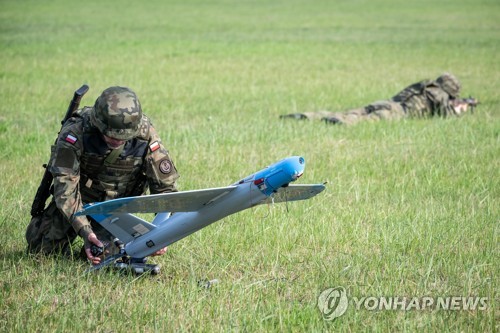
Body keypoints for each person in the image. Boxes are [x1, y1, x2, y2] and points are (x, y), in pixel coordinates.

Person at [26, 86, 180, 265]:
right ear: (98, 123)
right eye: (111, 135)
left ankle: (112, 243)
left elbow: (166, 190)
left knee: (105, 257)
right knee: (39, 248)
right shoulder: (76, 132)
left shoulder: (145, 136)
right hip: (78, 201)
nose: (118, 140)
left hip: (114, 210)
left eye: (124, 137)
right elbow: (65, 191)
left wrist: (161, 234)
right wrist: (85, 231)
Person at [280, 73, 473, 125]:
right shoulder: (439, 94)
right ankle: (339, 122)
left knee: (352, 112)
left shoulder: (425, 85)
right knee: (365, 120)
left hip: (388, 102)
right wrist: (460, 109)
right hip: (398, 112)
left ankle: (308, 116)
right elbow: (446, 115)